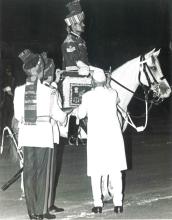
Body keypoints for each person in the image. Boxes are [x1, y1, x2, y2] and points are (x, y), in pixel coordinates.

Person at [14, 49, 67, 220]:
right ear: (40, 69)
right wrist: (65, 115)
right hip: (44, 136)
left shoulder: (19, 91)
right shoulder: (48, 91)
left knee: (29, 173)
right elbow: (58, 115)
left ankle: (32, 212)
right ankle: (41, 210)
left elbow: (17, 115)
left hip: (27, 135)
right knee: (43, 173)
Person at [73, 66, 127, 214]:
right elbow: (116, 99)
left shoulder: (87, 96)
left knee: (96, 172)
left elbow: (81, 113)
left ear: (92, 81)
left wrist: (77, 110)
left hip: (97, 139)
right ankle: (118, 204)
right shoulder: (113, 93)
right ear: (104, 81)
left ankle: (98, 205)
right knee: (115, 171)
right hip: (113, 138)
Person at [61, 0, 89, 74]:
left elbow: (85, 63)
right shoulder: (69, 42)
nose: (83, 25)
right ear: (73, 26)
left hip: (83, 74)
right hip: (74, 79)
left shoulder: (81, 41)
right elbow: (73, 67)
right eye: (81, 23)